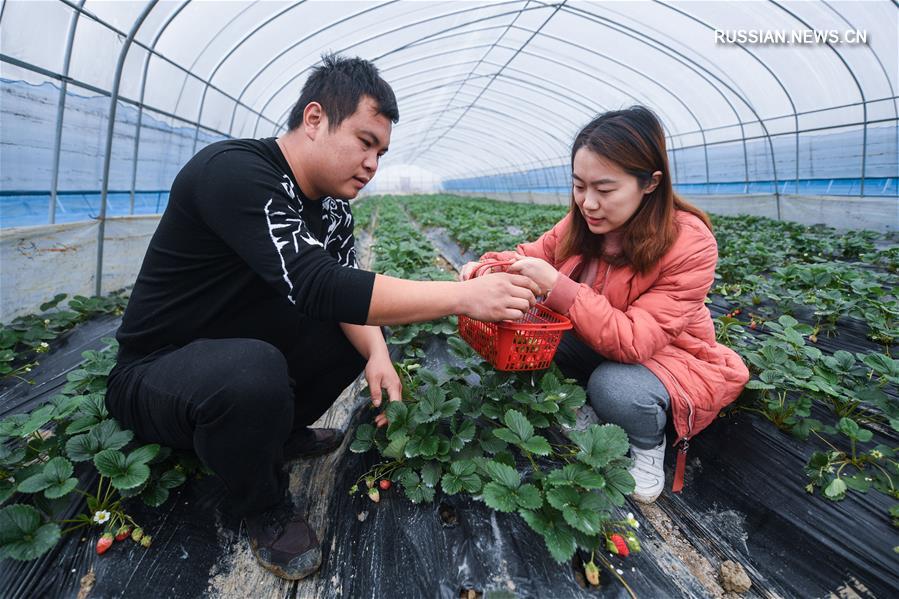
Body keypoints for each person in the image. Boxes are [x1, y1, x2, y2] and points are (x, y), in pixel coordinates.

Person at [105, 54, 540, 581]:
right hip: (156, 373)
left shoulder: (333, 206)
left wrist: (378, 354)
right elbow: (316, 283)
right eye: (364, 142)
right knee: (252, 371)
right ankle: (263, 505)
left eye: (381, 151)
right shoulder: (234, 172)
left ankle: (272, 433)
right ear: (314, 119)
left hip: (236, 349)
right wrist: (462, 296)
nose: (373, 163)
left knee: (349, 338)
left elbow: (343, 289)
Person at [463, 106, 749, 503]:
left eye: (605, 189)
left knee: (614, 387)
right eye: (579, 186)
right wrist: (485, 268)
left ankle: (647, 446)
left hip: (666, 359)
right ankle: (587, 408)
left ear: (650, 183)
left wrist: (559, 287)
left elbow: (634, 342)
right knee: (524, 331)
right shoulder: (582, 223)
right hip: (598, 341)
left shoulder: (690, 242)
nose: (588, 203)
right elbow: (528, 254)